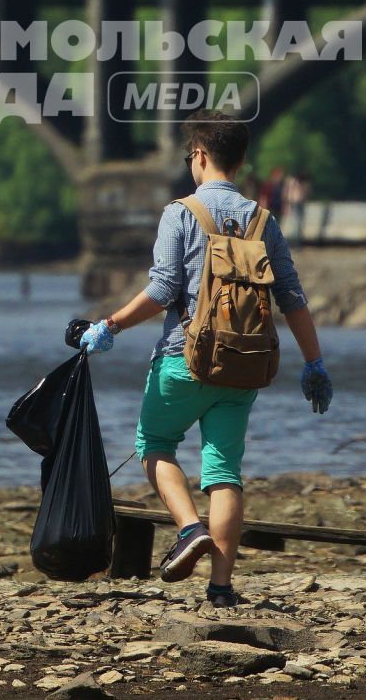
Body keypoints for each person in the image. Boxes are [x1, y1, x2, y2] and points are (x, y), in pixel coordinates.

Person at [76, 110, 331, 608]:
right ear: (241, 161)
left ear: (199, 155)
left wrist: (110, 326)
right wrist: (314, 363)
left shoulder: (181, 212)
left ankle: (188, 528)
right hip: (244, 367)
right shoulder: (264, 220)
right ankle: (221, 587)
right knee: (224, 473)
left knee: (154, 444)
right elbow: (293, 299)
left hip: (183, 361)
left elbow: (163, 289)